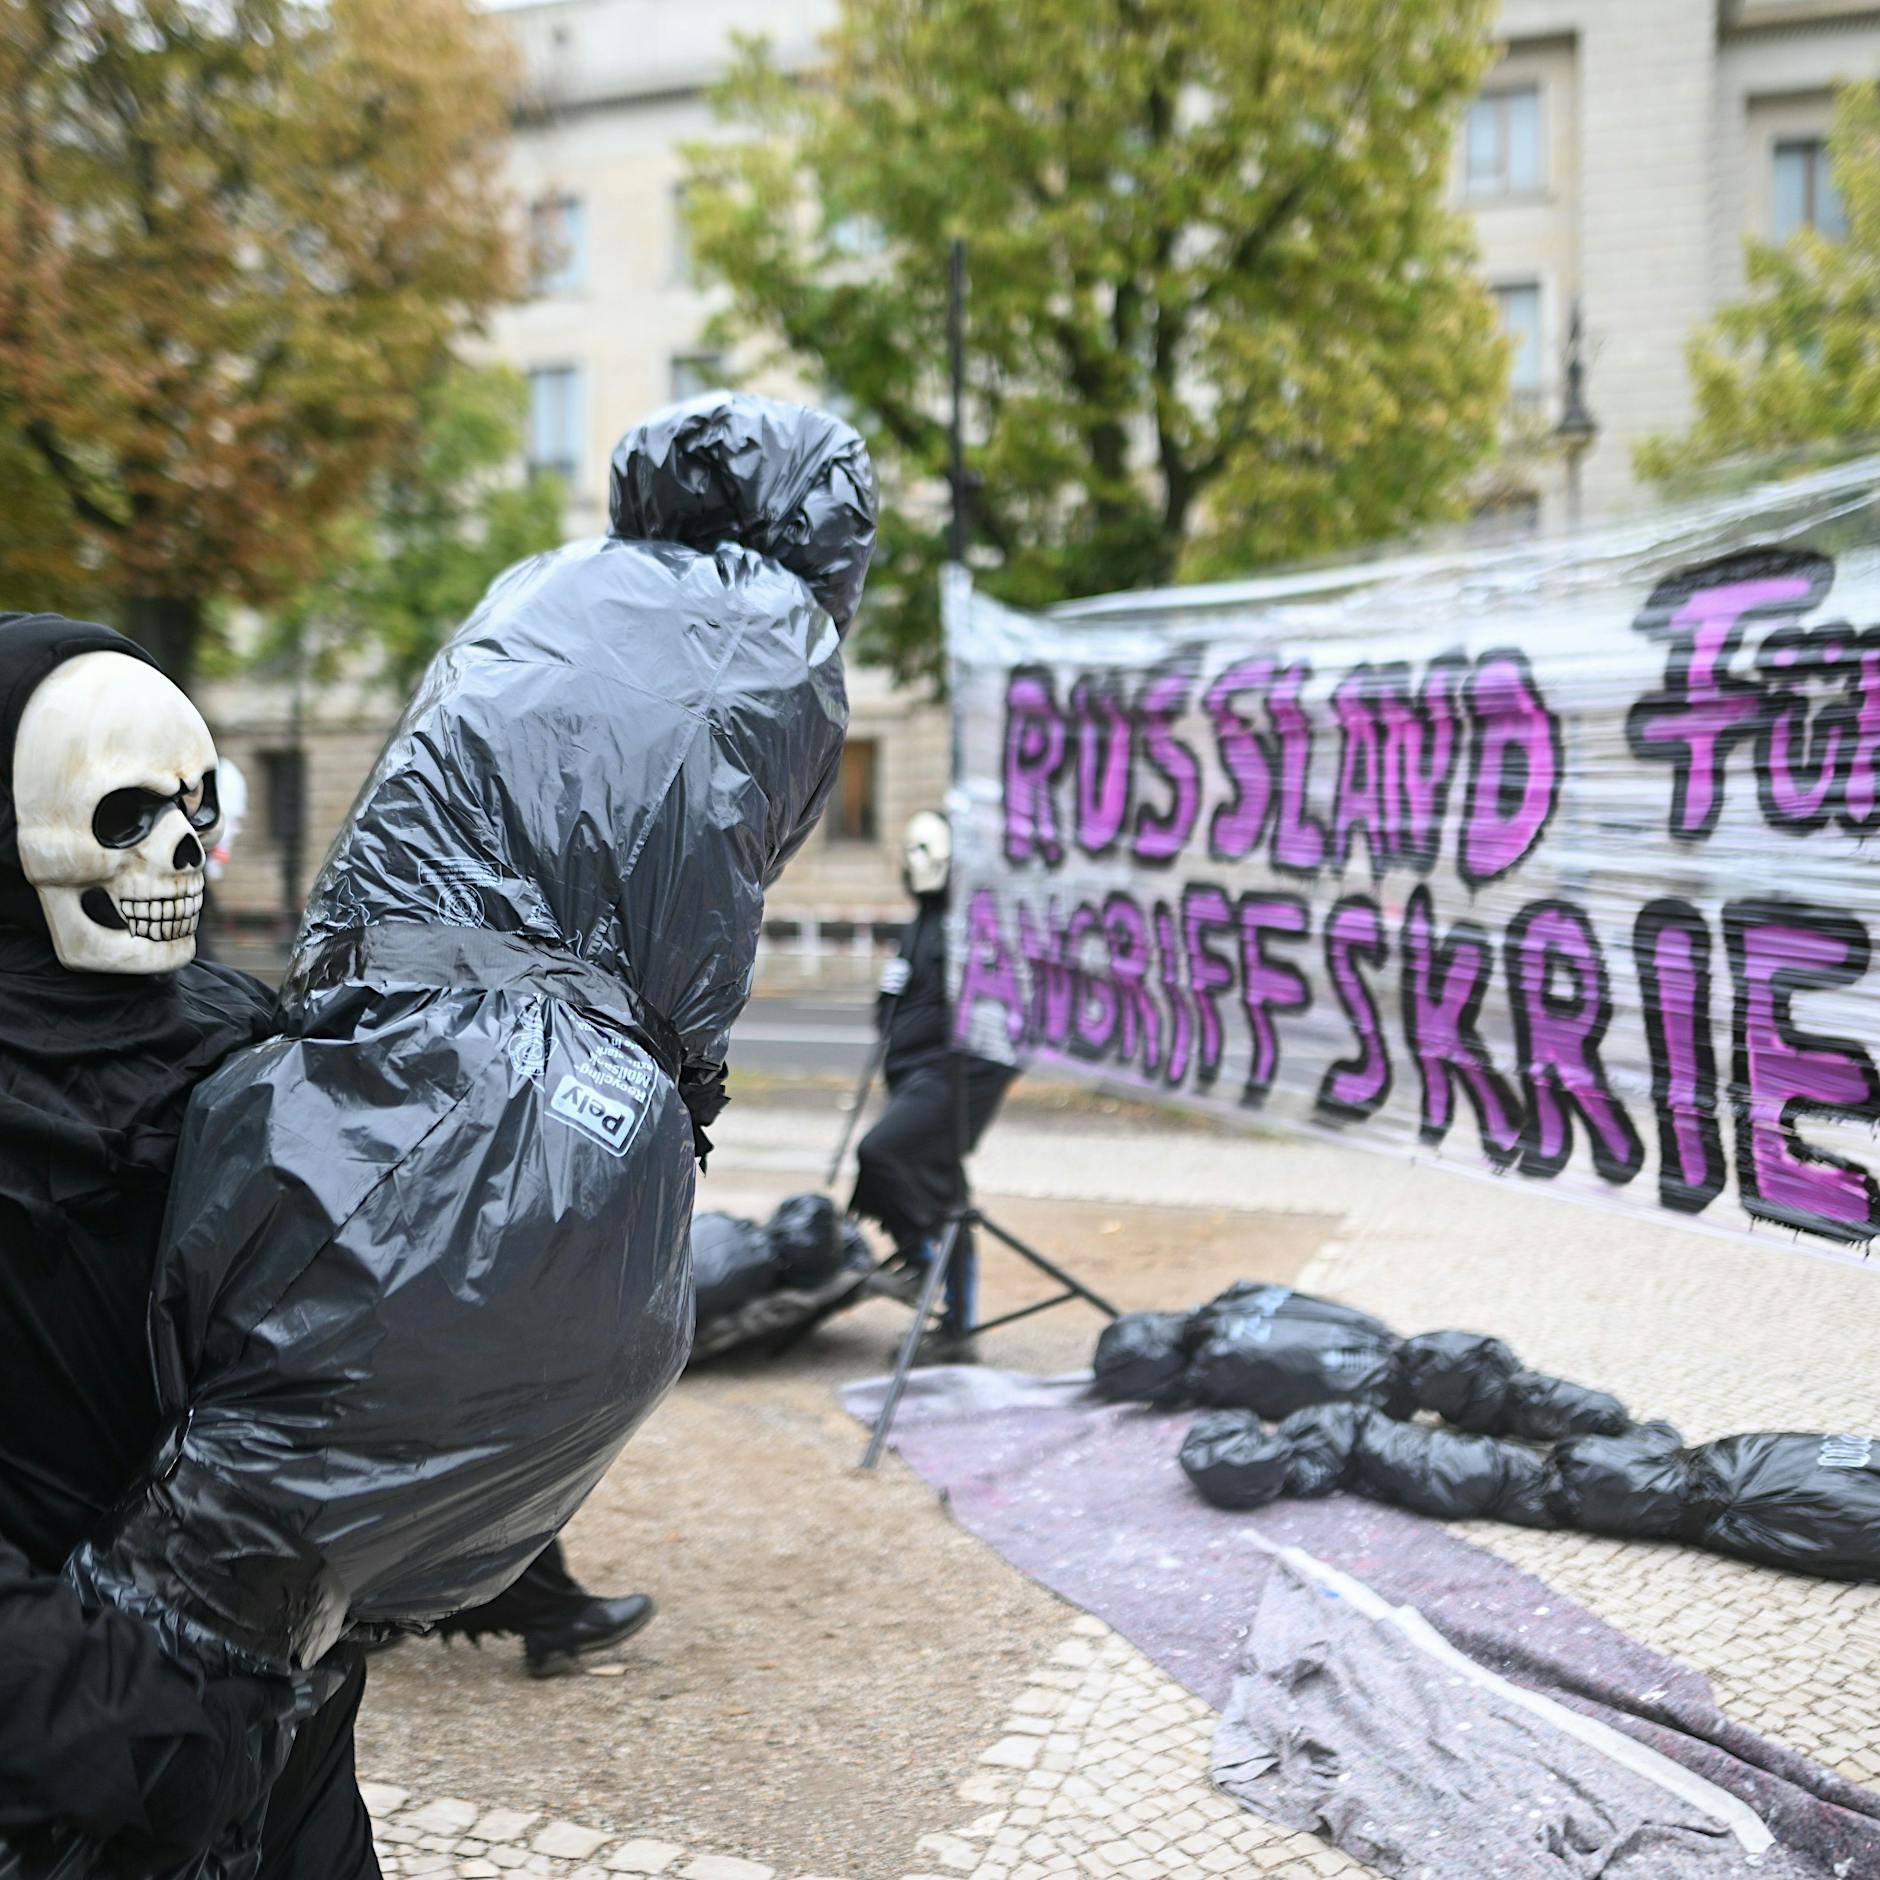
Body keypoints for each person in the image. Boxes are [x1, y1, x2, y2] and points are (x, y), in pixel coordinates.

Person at [0, 613, 375, 1877]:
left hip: (293, 1732)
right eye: (121, 813)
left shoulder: (240, 1034)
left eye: (195, 808)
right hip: (82, 1775)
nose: (181, 851)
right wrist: (119, 1704)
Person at [850, 811, 1016, 1363]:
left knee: (883, 1153)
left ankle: (922, 1263)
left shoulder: (972, 921)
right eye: (910, 849)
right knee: (946, 1194)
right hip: (913, 1075)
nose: (913, 860)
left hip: (952, 1077)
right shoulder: (923, 919)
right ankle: (958, 1329)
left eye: (926, 849)